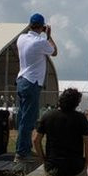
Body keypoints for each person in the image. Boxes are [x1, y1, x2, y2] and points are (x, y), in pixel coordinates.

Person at [34, 88, 88, 176]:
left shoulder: (47, 116)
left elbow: (36, 140)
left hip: (53, 167)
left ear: (60, 100)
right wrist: (86, 163)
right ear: (76, 103)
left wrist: (43, 159)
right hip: (75, 168)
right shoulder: (80, 118)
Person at [15, 12, 57, 162]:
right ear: (42, 26)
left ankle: (21, 147)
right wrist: (49, 36)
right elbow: (54, 52)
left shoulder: (21, 38)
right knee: (29, 118)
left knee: (22, 117)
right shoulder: (40, 42)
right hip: (32, 82)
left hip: (21, 80)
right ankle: (22, 152)